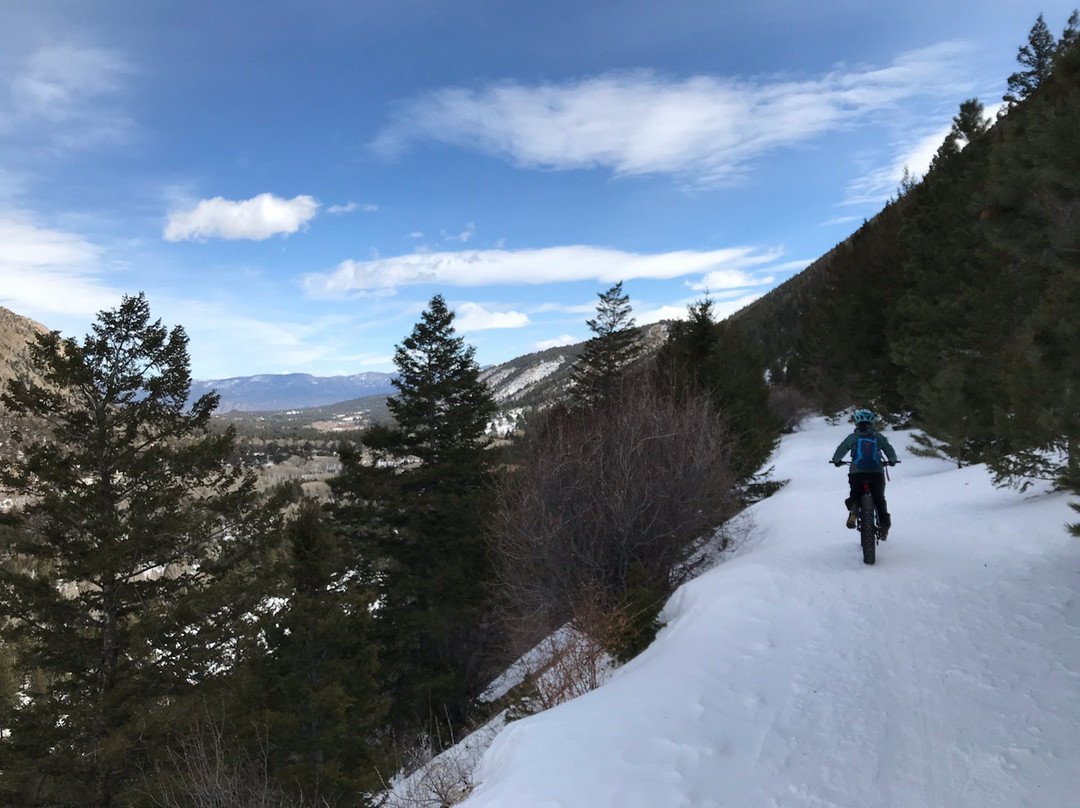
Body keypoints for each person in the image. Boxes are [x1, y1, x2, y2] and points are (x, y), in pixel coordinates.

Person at [831, 409, 898, 537]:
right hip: (876, 473)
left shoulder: (853, 437)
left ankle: (854, 508)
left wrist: (836, 461)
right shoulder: (878, 437)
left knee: (855, 493)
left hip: (857, 473)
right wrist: (892, 461)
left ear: (857, 422)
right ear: (872, 422)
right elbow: (890, 451)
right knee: (879, 499)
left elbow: (840, 451)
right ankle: (884, 524)